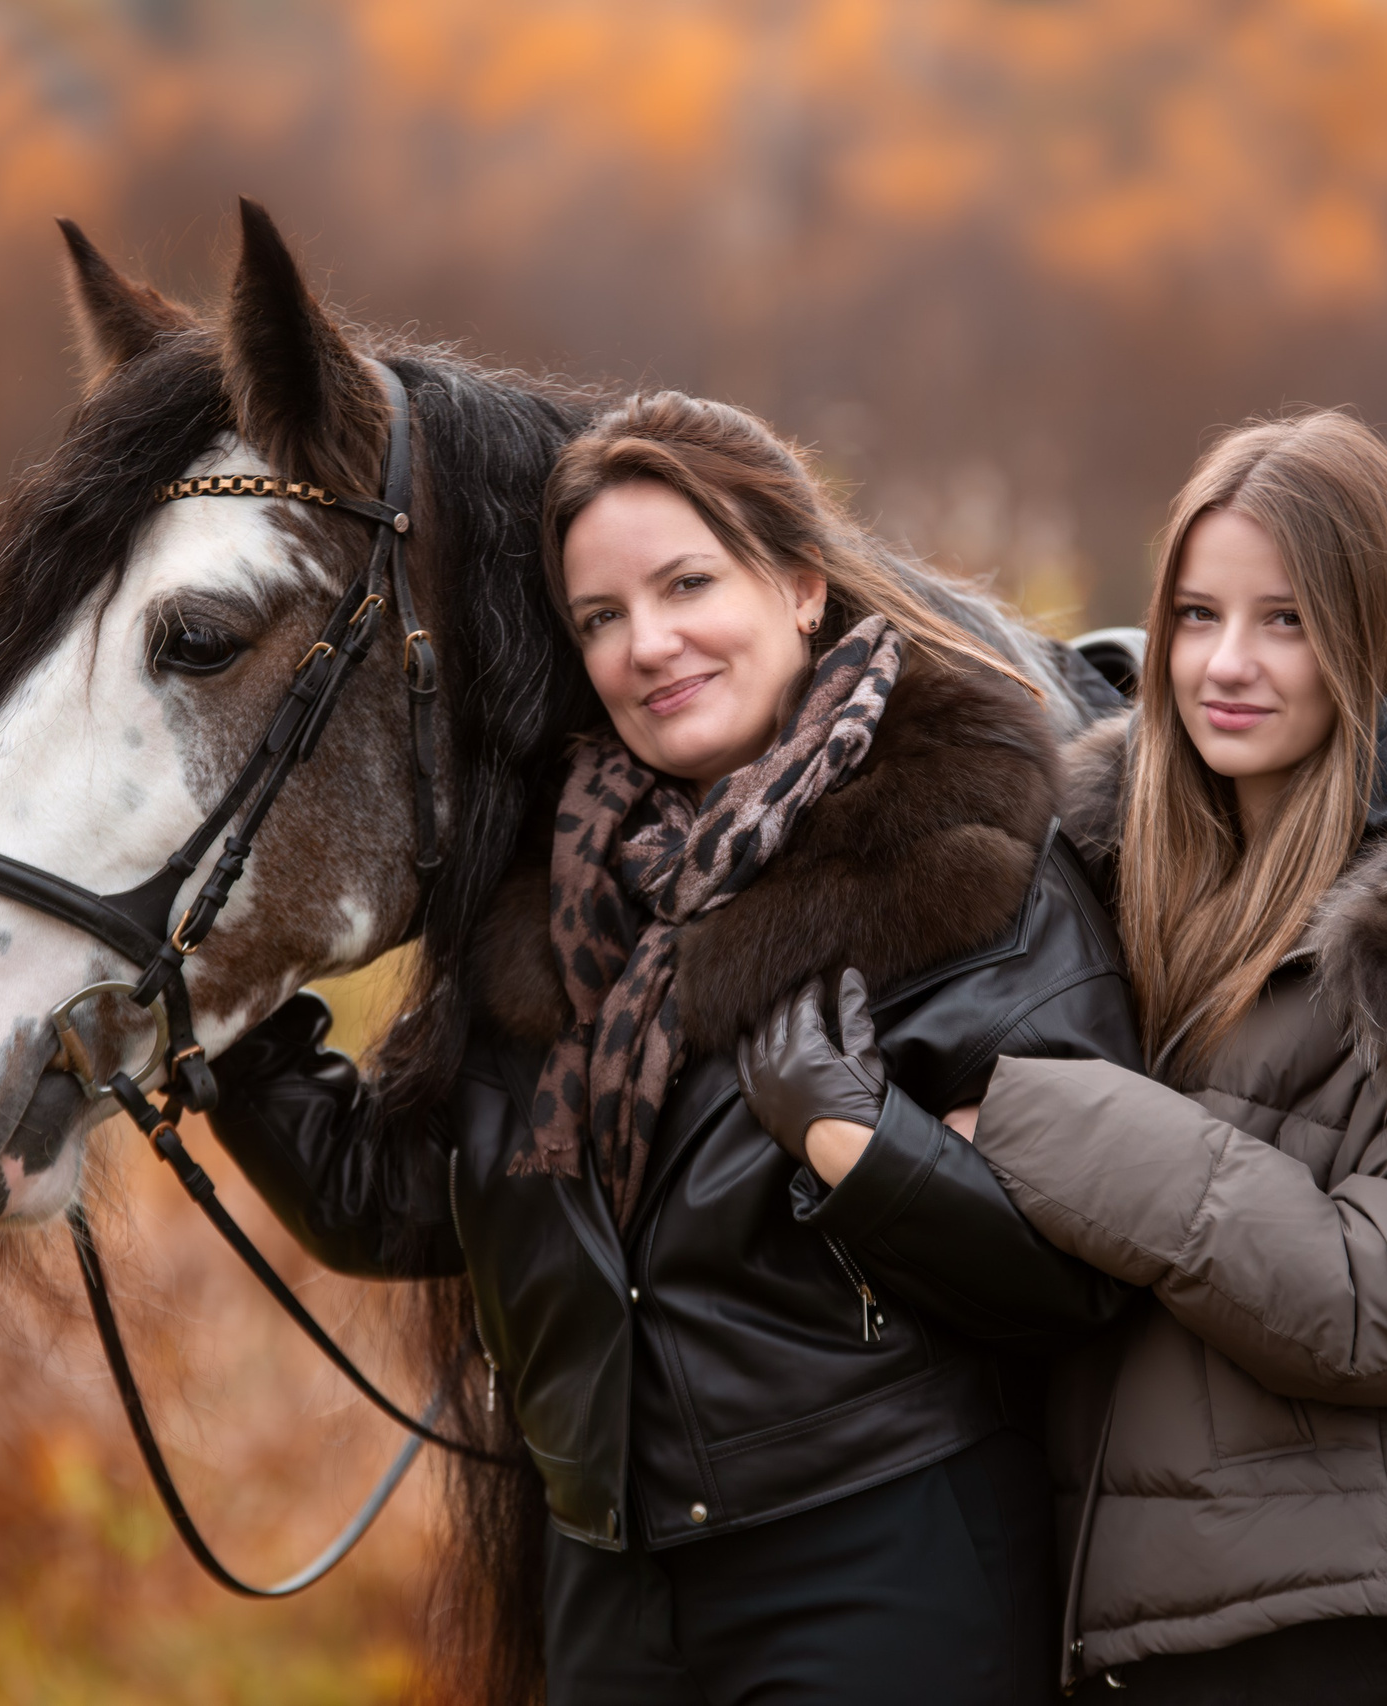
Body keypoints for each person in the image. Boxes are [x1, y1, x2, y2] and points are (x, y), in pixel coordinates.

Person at [204, 391, 1141, 1705]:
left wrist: (853, 1138)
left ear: (802, 586)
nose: (649, 644)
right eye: (600, 617)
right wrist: (219, 1027)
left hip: (880, 1559)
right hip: (614, 1599)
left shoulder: (968, 864)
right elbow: (401, 1199)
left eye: (687, 583)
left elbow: (1082, 1274)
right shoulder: (545, 899)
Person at [738, 410, 1387, 1706]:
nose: (1227, 663)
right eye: (1196, 615)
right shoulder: (1106, 885)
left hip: (1383, 1618)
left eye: (1285, 620)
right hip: (1146, 1607)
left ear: (1385, 636)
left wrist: (1034, 1119)